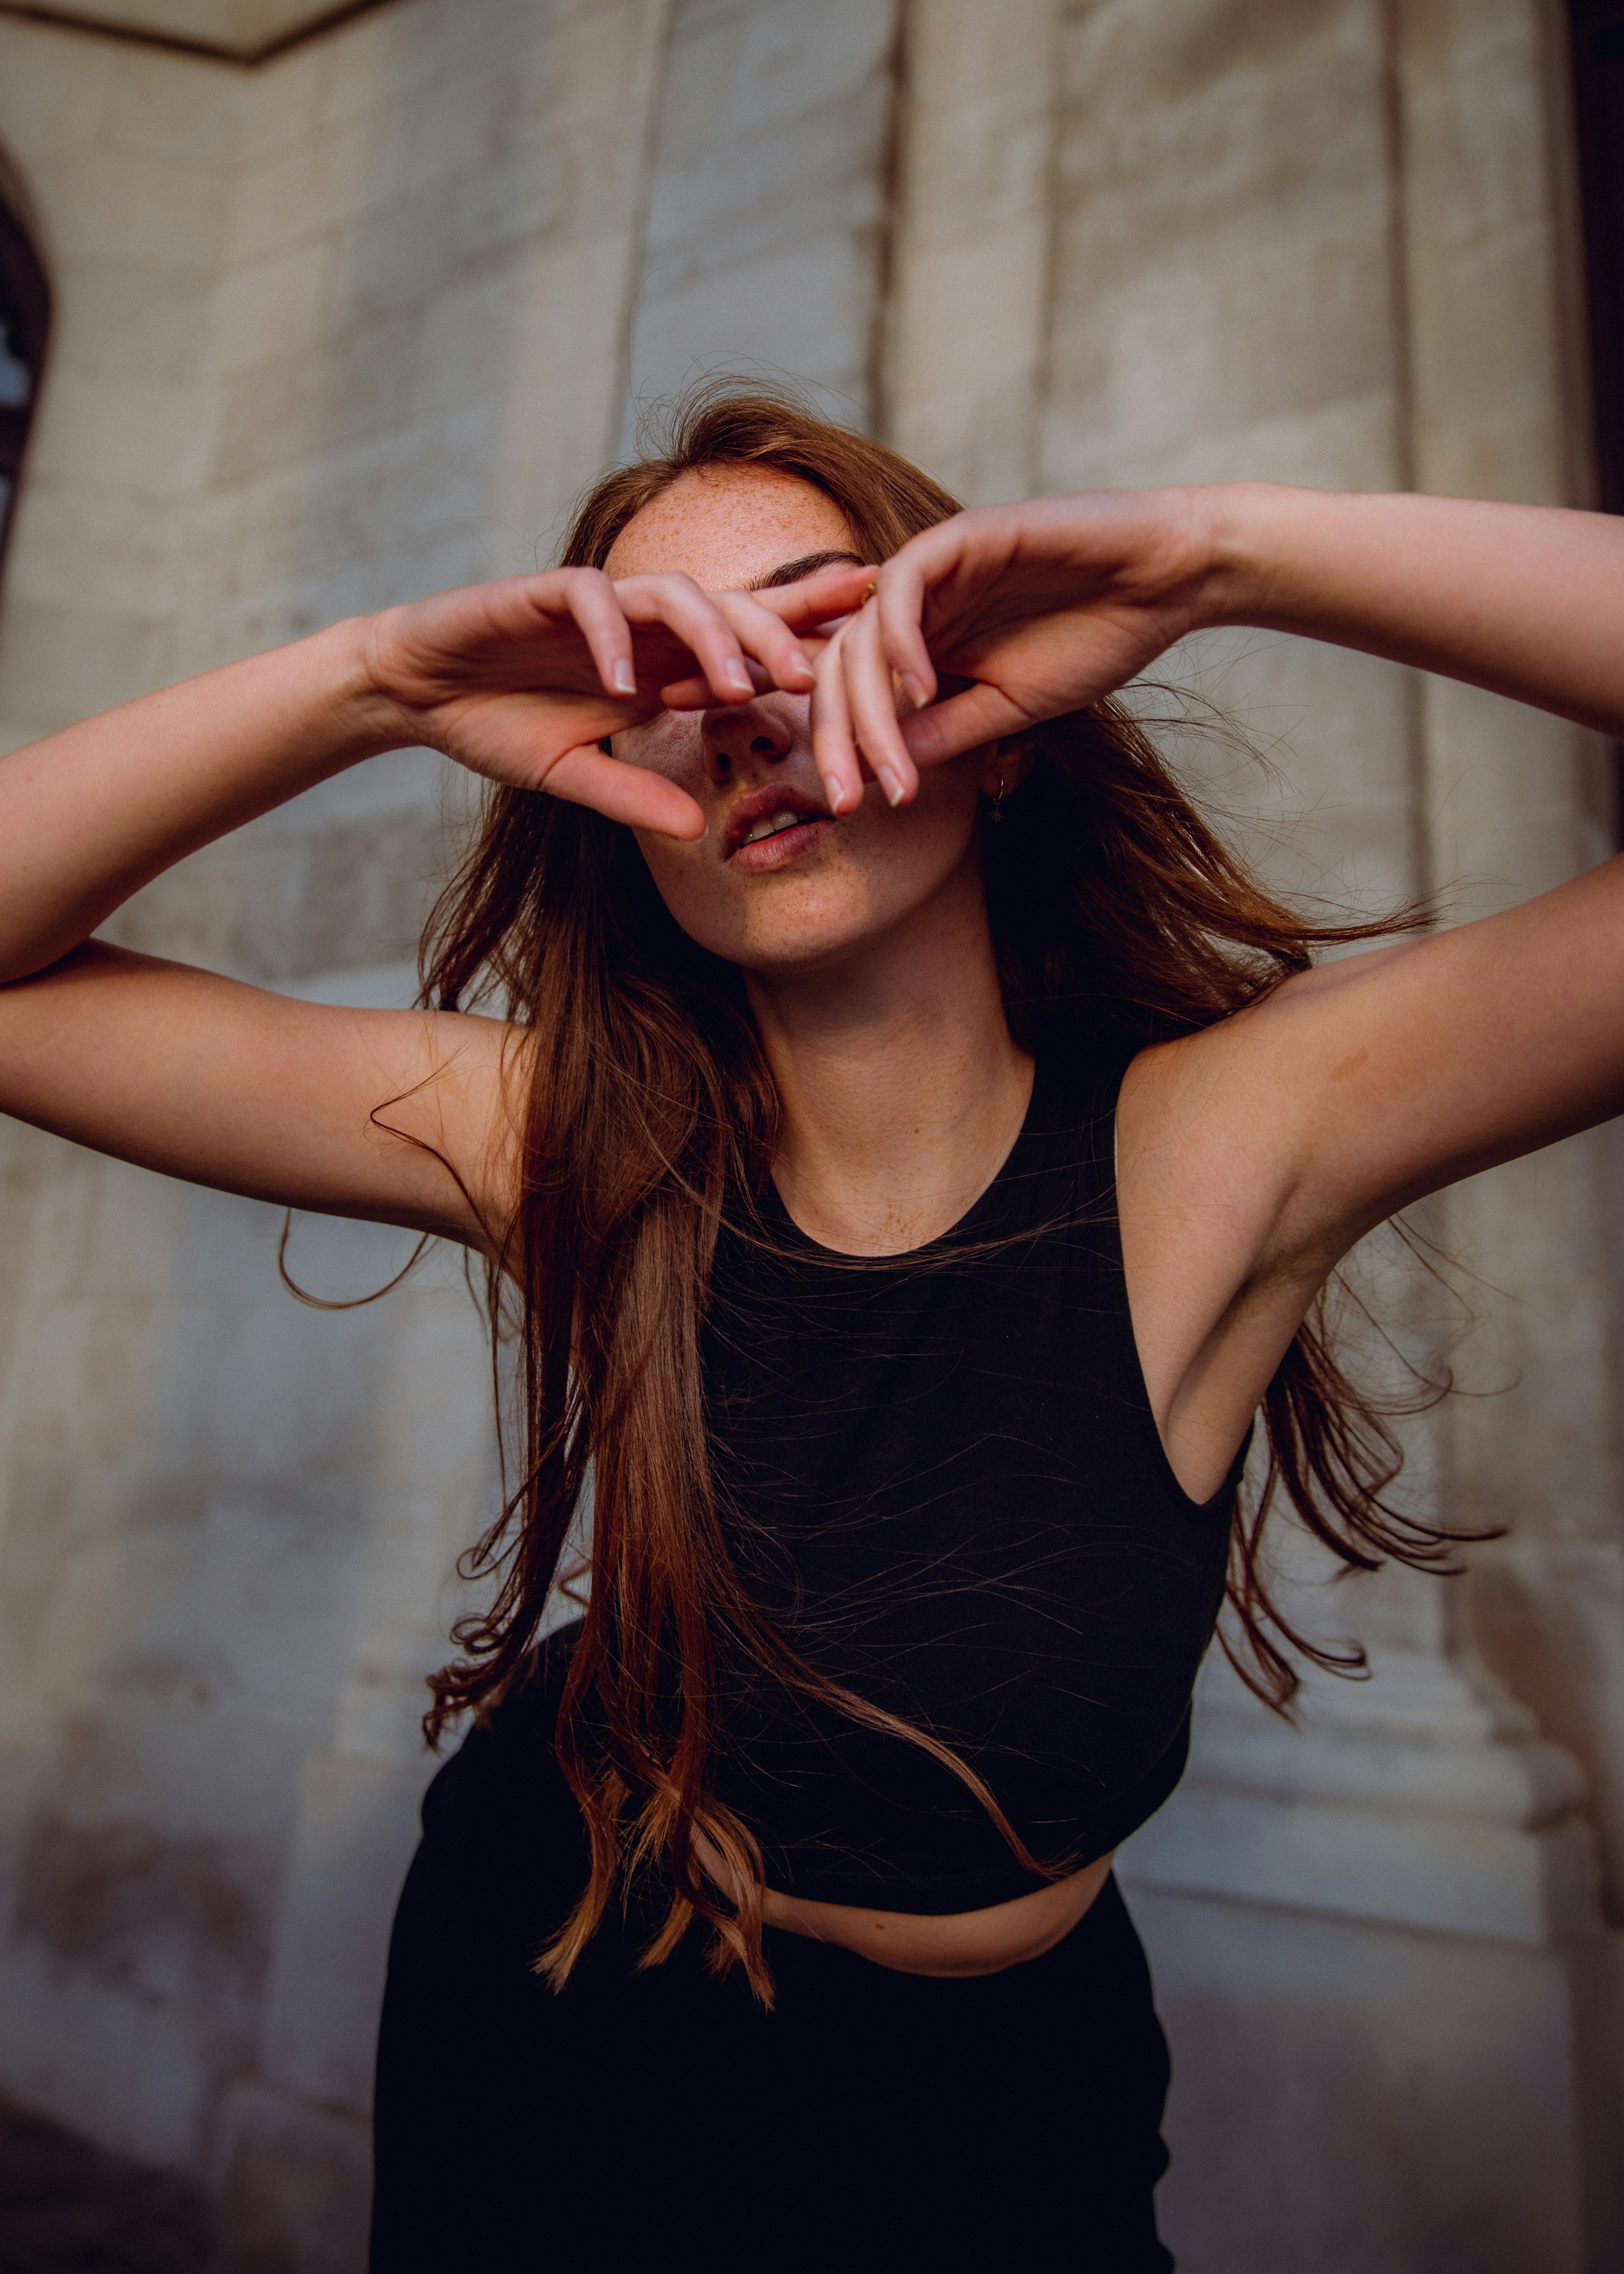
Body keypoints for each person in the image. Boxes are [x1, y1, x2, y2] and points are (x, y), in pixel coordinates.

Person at [3, 386, 1623, 2270]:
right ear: (620, 805)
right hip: (556, 1975)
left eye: (826, 627)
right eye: (662, 677)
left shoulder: (1225, 1149)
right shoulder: (573, 1142)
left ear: (995, 719)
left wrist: (1217, 553)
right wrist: (375, 679)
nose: (747, 707)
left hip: (1007, 2111)